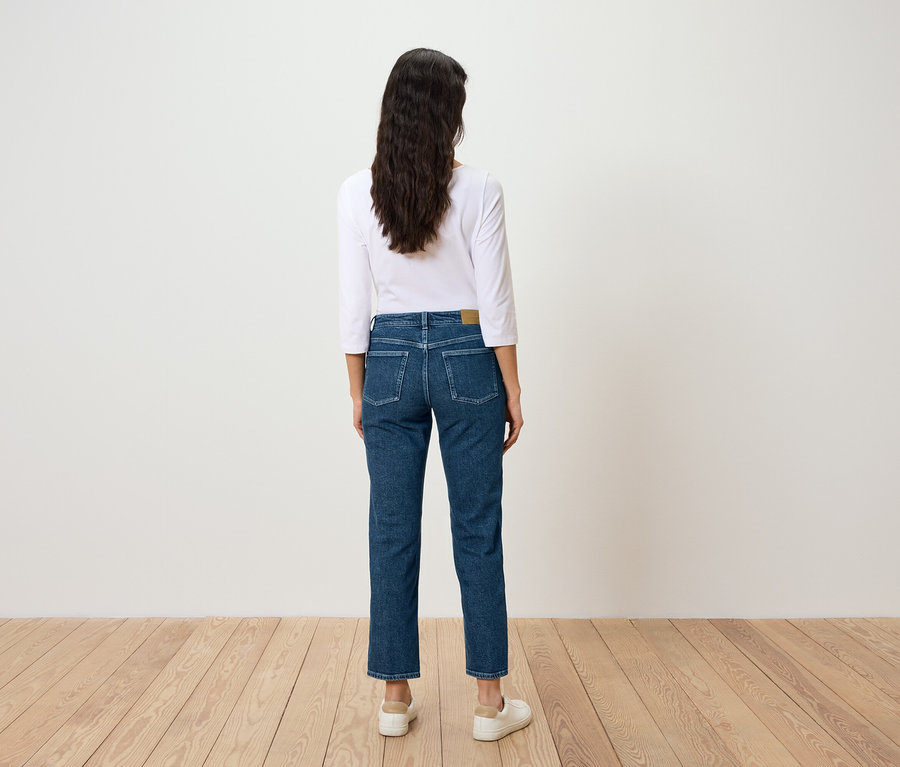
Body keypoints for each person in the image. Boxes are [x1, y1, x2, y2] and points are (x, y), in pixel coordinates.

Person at [337, 48, 532, 742]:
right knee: (477, 528)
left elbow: (352, 306)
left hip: (386, 357)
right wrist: (511, 386)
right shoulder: (480, 189)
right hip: (465, 353)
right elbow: (496, 300)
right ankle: (489, 702)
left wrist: (359, 392)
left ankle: (393, 696)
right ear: (447, 114)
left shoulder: (357, 191)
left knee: (391, 531)